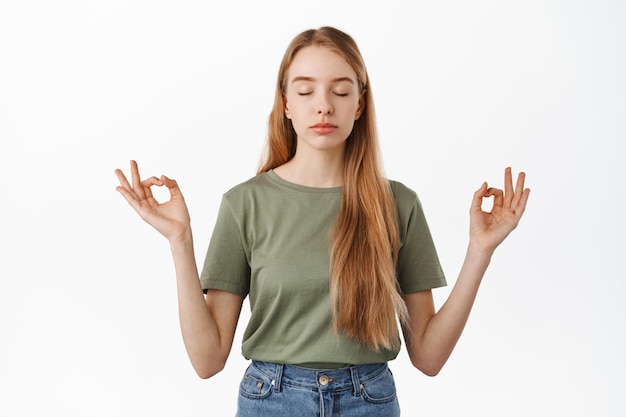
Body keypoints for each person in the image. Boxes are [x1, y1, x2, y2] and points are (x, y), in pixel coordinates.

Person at [114, 26, 530, 417]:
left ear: (360, 103)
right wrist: (179, 239)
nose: (324, 105)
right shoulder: (245, 204)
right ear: (286, 103)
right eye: (306, 90)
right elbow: (207, 361)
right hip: (270, 400)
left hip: (369, 400)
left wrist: (480, 251)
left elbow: (429, 357)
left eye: (341, 90)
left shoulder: (398, 204)